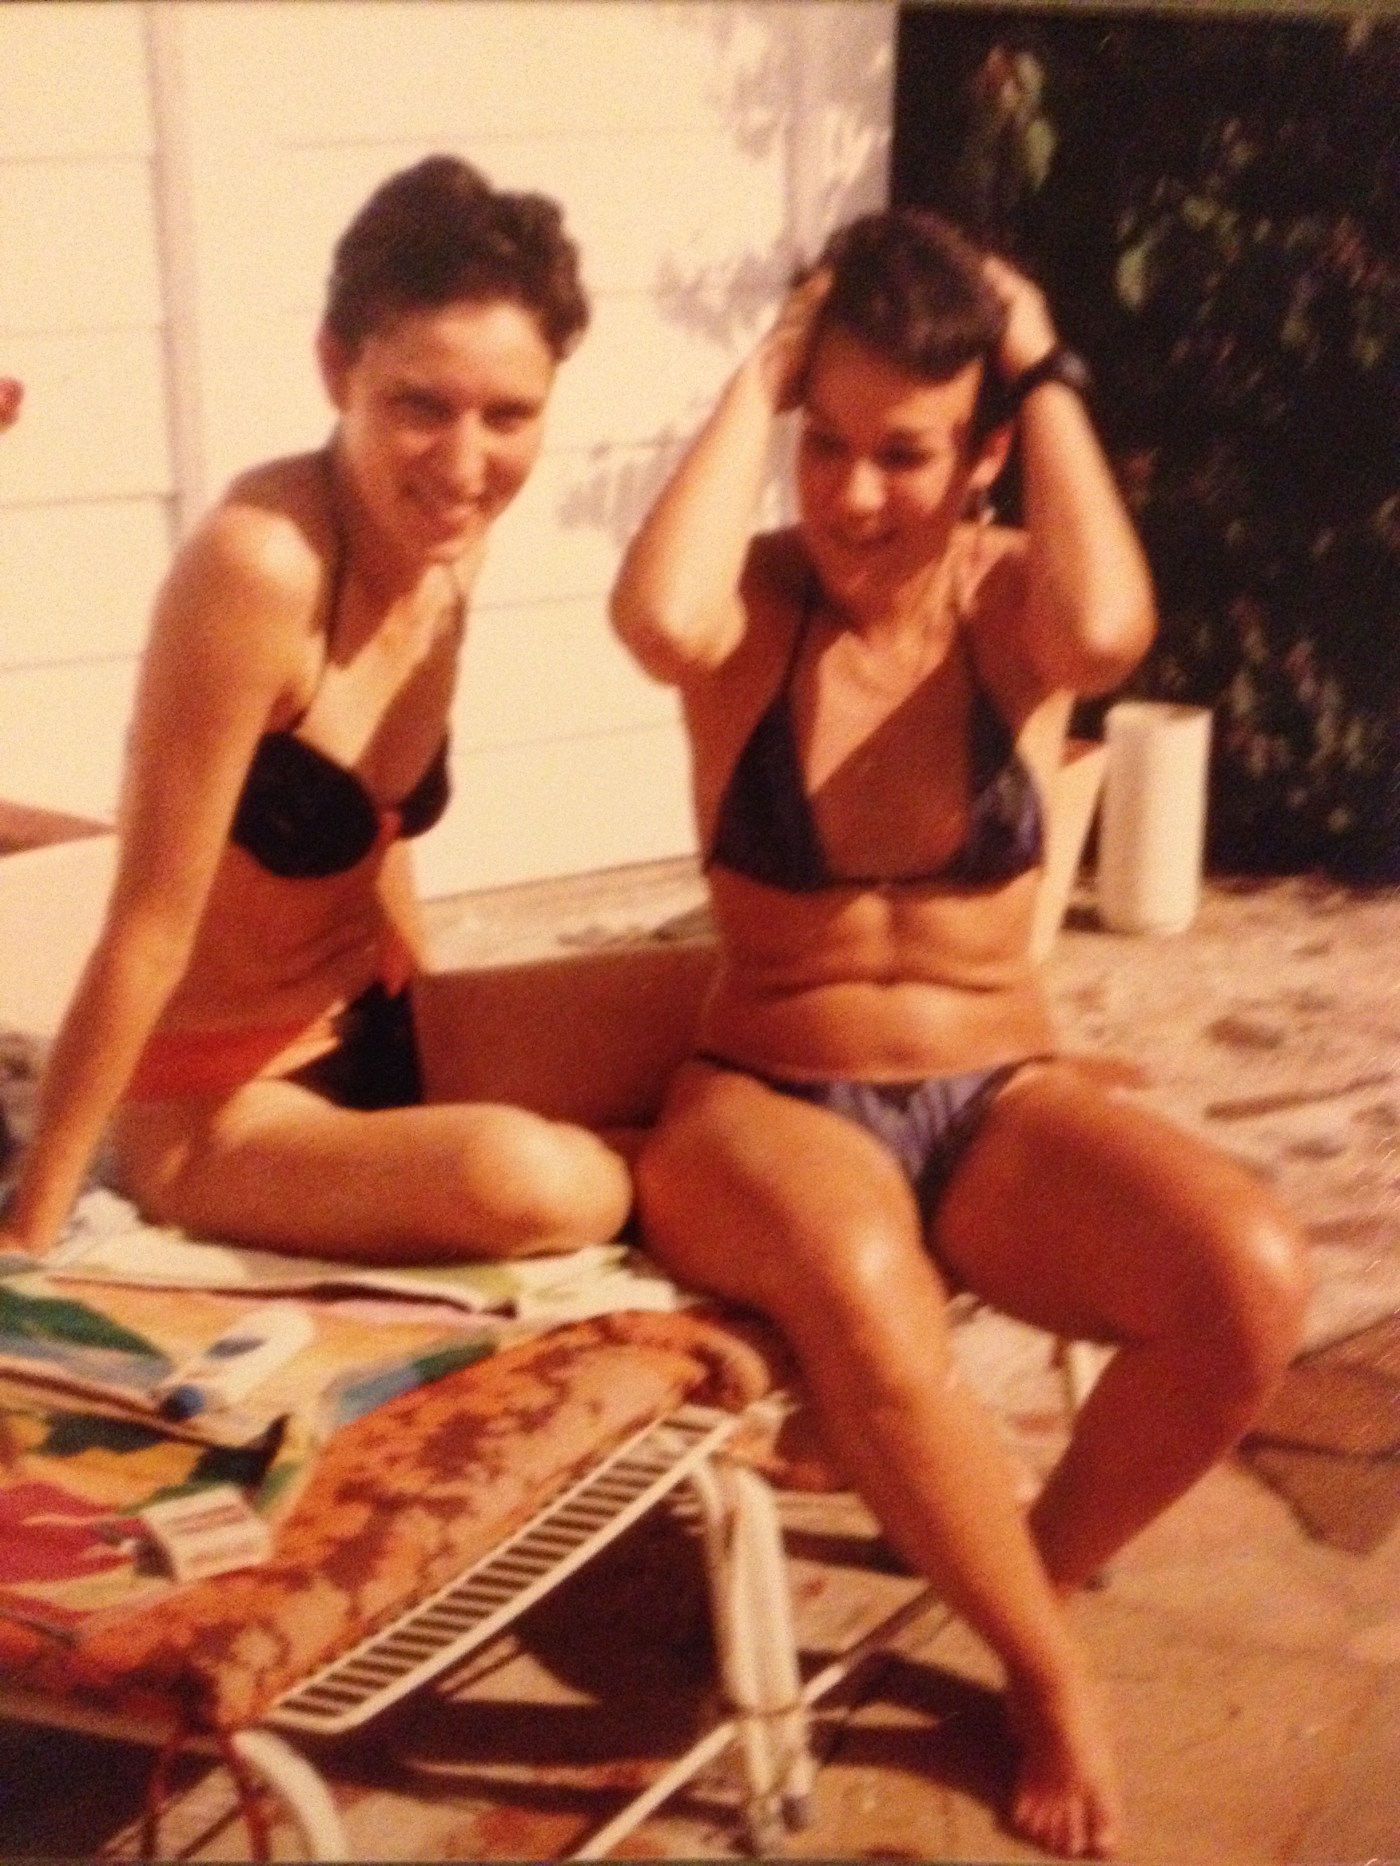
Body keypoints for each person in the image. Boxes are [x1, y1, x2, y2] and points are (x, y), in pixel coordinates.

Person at [610, 209, 1309, 1859]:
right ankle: (1047, 1671)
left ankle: (1023, 1575)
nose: (853, 494)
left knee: (1252, 1276)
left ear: (987, 455)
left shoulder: (1014, 608)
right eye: (827, 444)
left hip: (994, 1096)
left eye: (907, 452)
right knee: (865, 1277)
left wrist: (1043, 355)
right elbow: (655, 619)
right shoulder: (754, 610)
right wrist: (770, 365)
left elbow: (1114, 629)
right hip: (763, 1099)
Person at [0, 157, 633, 1265]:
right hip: (214, 1106)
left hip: (377, 1029)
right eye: (421, 406)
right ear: (338, 367)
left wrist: (431, 1045)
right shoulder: (261, 566)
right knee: (538, 1182)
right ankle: (672, 1176)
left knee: (750, 1008)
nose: (465, 465)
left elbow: (381, 827)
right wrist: (27, 1237)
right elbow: (147, 927)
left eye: (508, 415)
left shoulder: (448, 540)